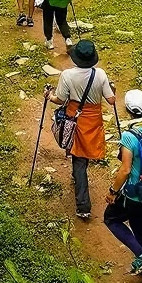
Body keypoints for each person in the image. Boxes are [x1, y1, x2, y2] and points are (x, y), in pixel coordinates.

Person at [46, 40, 115, 219]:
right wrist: (111, 88)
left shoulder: (67, 75)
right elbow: (112, 100)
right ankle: (78, 181)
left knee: (79, 159)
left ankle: (83, 206)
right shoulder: (100, 74)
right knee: (83, 156)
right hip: (93, 121)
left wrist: (49, 96)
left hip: (75, 120)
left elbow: (60, 100)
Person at [104, 88, 142, 274]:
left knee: (111, 219)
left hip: (134, 192)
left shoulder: (129, 137)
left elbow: (125, 169)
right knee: (140, 226)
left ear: (127, 110)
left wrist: (113, 192)